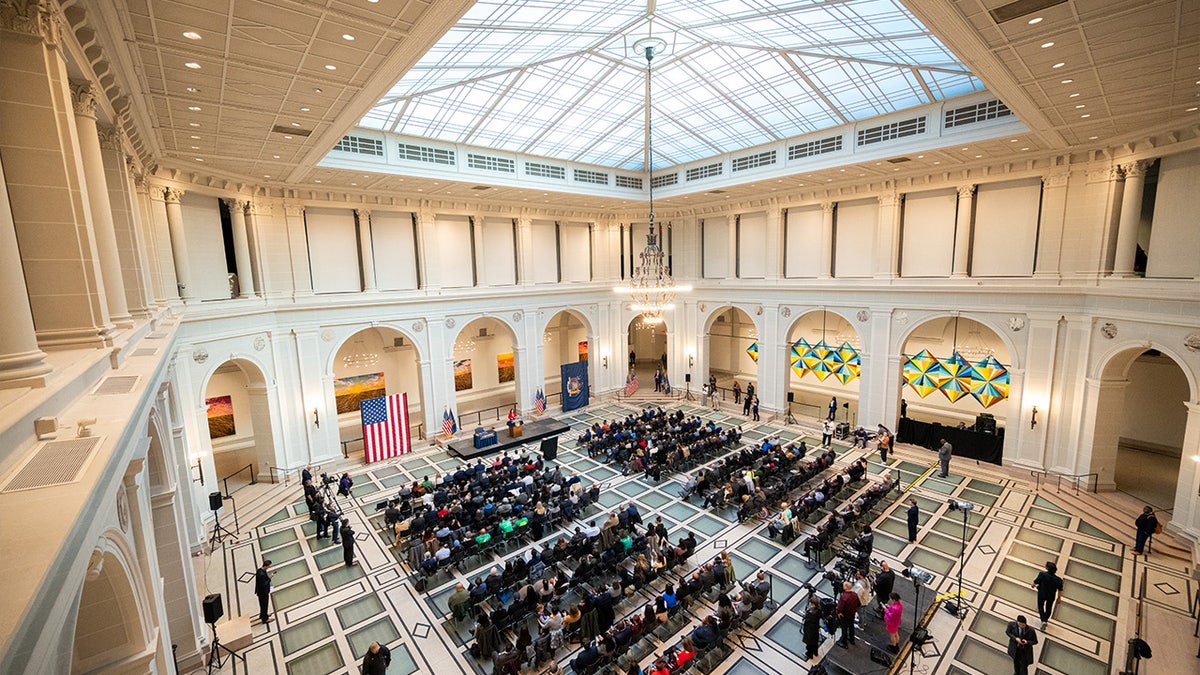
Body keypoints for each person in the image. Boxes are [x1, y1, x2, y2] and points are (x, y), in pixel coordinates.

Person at [1031, 561, 1063, 628]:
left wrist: (1033, 585)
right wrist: (1059, 598)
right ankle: (1045, 620)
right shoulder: (1059, 580)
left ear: (1047, 568)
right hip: (1051, 596)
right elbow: (1060, 589)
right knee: (1049, 608)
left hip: (1042, 594)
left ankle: (1043, 621)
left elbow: (1036, 582)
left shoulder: (1042, 574)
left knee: (1040, 606)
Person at [836, 580, 860, 648]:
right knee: (851, 626)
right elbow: (858, 603)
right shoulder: (855, 594)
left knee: (844, 629)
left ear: (846, 587)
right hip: (852, 614)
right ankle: (852, 639)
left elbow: (840, 608)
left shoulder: (844, 597)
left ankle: (844, 642)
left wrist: (839, 613)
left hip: (845, 615)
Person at [802, 596, 822, 660]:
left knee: (809, 643)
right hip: (815, 628)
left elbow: (807, 619)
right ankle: (815, 652)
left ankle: (809, 654)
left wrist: (805, 614)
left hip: (809, 629)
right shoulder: (819, 610)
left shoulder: (810, 613)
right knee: (815, 641)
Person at [254, 559, 273, 624]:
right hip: (263, 593)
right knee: (264, 605)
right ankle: (265, 619)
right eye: (269, 566)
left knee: (262, 605)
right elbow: (264, 584)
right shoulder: (261, 574)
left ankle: (263, 615)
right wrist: (270, 578)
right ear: (266, 566)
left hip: (260, 592)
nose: (269, 567)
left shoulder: (259, 570)